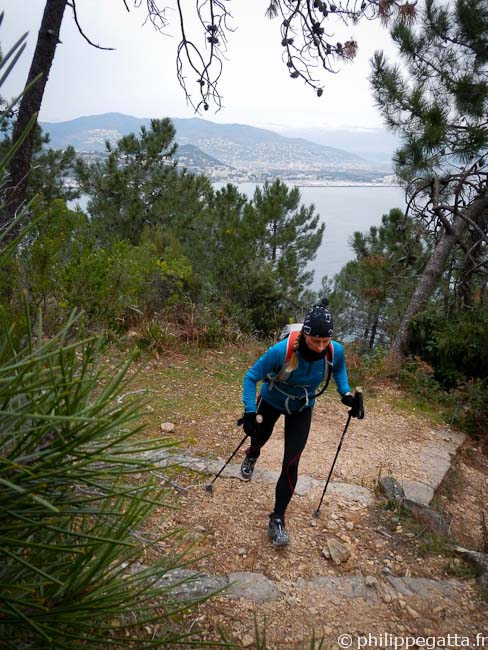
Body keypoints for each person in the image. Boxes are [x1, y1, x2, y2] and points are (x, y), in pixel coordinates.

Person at [239, 300, 360, 548]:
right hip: (271, 400)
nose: (320, 346)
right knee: (259, 438)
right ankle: (252, 454)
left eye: (325, 341)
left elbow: (339, 370)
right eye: (316, 341)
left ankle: (278, 518)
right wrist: (250, 412)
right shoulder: (281, 350)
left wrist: (346, 394)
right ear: (305, 334)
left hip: (302, 406)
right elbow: (251, 377)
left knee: (291, 461)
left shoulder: (333, 350)